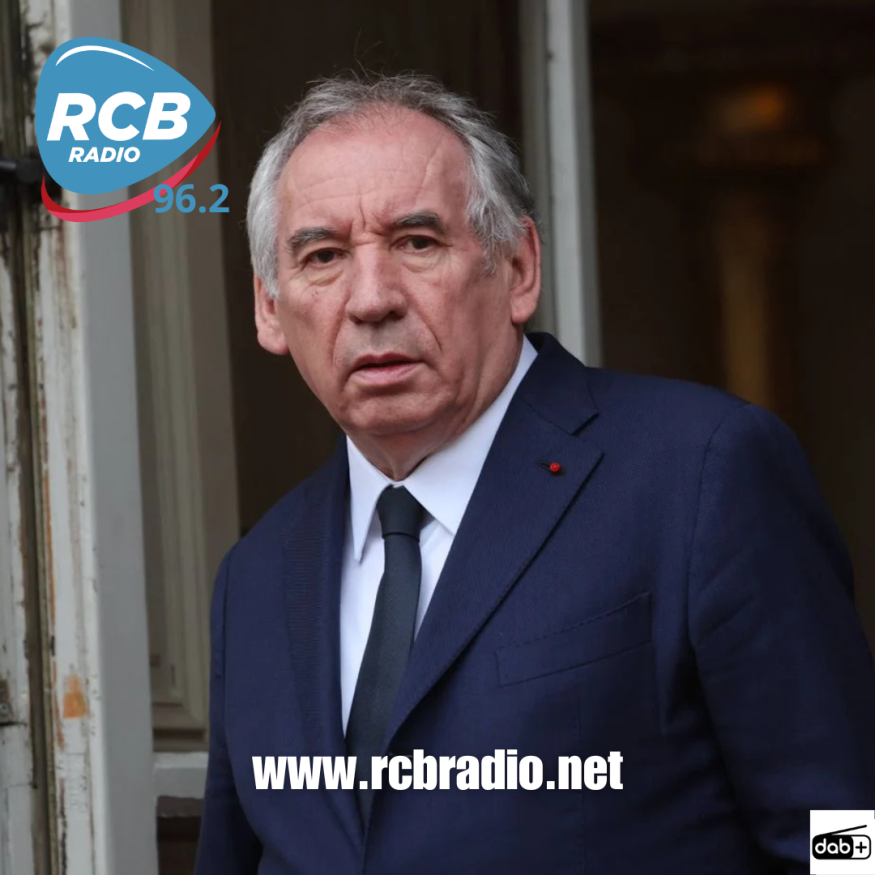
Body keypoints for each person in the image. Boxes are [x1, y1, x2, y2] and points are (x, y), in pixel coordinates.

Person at [194, 73, 875, 875]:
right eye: (323, 256)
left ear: (517, 267)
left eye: (417, 242)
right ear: (270, 309)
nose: (371, 299)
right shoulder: (256, 575)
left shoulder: (701, 471)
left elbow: (842, 831)